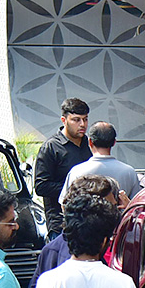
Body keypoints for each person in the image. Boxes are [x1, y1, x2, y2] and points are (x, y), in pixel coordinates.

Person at [33, 97, 91, 235]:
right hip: (61, 224)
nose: (82, 124)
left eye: (85, 119)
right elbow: (41, 186)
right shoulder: (51, 147)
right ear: (64, 120)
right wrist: (74, 188)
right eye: (76, 120)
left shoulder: (90, 144)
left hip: (89, 220)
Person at [62, 121, 141, 203]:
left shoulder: (77, 171)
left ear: (90, 142)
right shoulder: (129, 172)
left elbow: (65, 203)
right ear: (114, 142)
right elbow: (137, 205)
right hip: (118, 215)